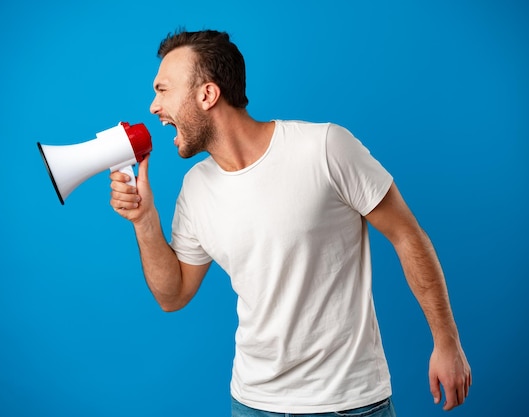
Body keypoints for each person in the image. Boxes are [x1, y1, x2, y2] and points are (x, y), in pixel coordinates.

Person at [109, 29, 471, 417]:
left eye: (163, 90)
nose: (153, 107)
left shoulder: (325, 148)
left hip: (350, 404)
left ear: (207, 95)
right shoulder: (196, 188)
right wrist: (144, 221)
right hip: (252, 404)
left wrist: (446, 340)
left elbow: (407, 235)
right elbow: (173, 295)